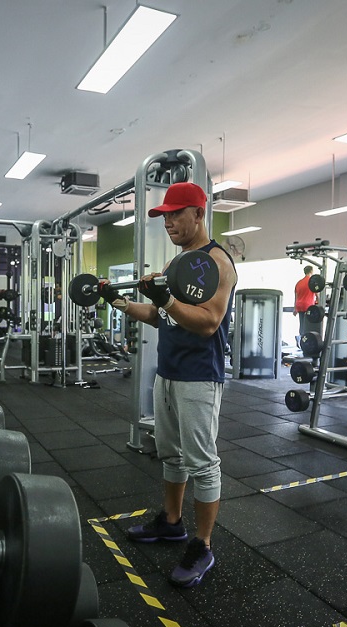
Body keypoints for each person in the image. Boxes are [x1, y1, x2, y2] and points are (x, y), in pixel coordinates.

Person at [100, 181, 237, 588]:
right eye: (165, 216)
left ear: (199, 213)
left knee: (202, 461)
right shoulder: (180, 263)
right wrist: (121, 303)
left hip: (198, 377)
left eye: (177, 214)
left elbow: (209, 321)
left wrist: (166, 300)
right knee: (171, 455)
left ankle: (203, 544)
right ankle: (172, 523)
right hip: (168, 373)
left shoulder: (218, 263)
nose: (170, 222)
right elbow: (165, 317)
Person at [294, 265, 317, 339]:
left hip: (300, 306)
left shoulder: (298, 283)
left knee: (302, 324)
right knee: (309, 325)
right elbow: (318, 295)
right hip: (308, 306)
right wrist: (318, 302)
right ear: (311, 271)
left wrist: (295, 309)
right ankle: (308, 340)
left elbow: (296, 297)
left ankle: (301, 339)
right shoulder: (312, 282)